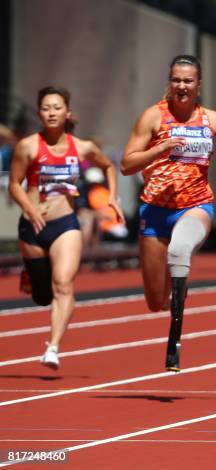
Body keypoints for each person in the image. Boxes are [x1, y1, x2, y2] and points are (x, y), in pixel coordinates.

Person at [121, 54, 216, 371]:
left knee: (179, 249)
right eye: (176, 80)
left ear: (198, 85)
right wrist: (158, 149)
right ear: (170, 82)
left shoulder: (209, 118)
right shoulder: (153, 117)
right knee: (155, 302)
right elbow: (127, 165)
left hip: (196, 206)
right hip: (154, 211)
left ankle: (176, 321)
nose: (182, 86)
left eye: (188, 81)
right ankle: (179, 288)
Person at [8, 86, 124, 369]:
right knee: (42, 296)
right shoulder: (28, 146)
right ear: (39, 113)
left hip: (65, 225)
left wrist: (111, 197)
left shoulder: (82, 147)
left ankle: (54, 347)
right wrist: (29, 207)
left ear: (67, 113)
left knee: (63, 285)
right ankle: (31, 273)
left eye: (57, 107)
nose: (51, 112)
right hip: (32, 226)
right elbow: (13, 184)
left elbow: (108, 166)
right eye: (46, 108)